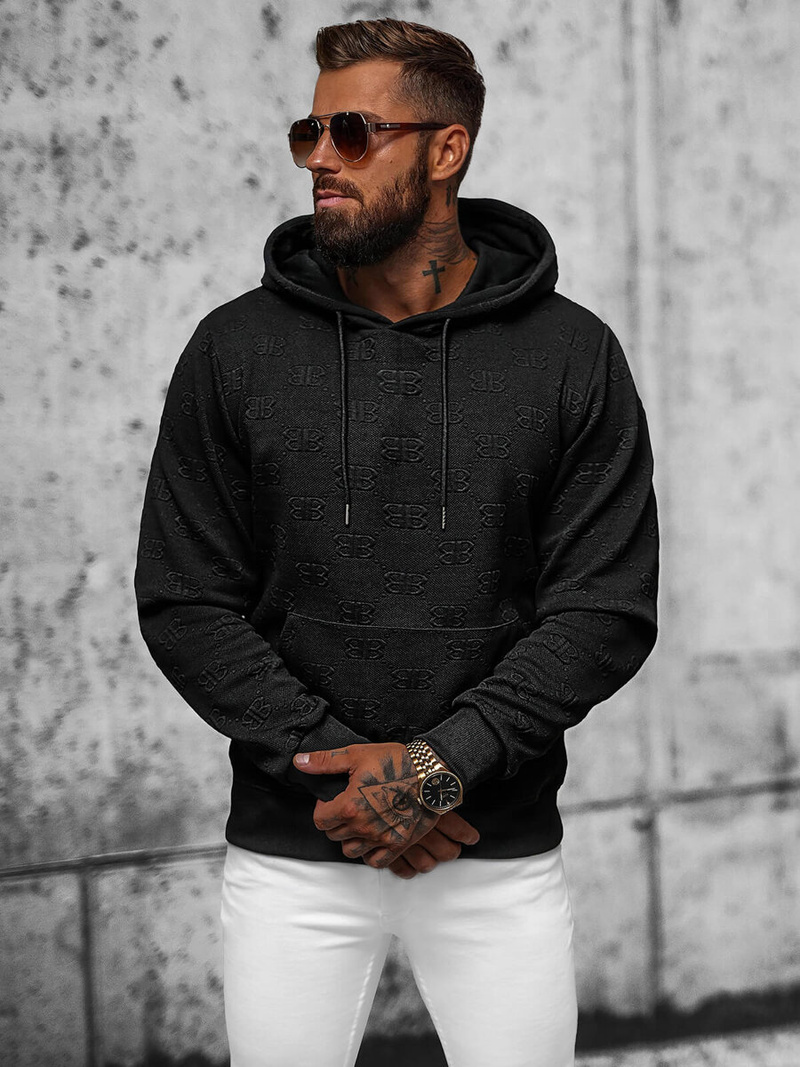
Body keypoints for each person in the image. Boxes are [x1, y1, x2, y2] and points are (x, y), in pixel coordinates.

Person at [135, 17, 658, 1067]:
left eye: (353, 132)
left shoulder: (572, 355)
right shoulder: (233, 350)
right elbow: (186, 598)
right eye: (309, 131)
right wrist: (348, 777)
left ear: (446, 149)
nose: (319, 159)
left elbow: (603, 609)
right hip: (296, 851)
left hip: (494, 852)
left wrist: (438, 768)